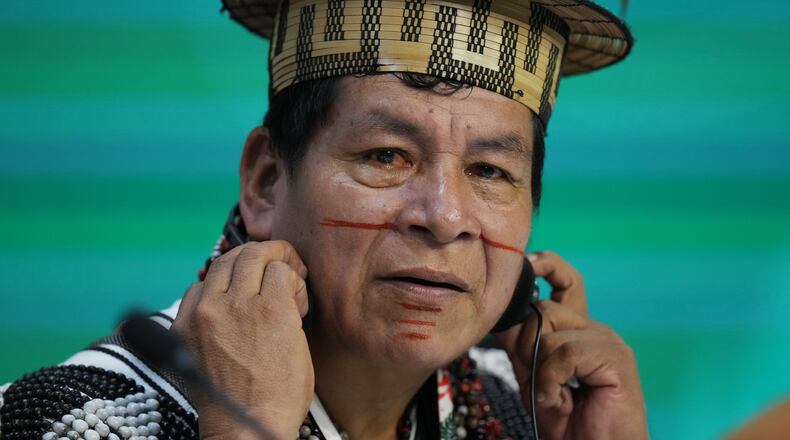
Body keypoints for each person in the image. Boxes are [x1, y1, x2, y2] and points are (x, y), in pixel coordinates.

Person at [0, 0, 648, 439]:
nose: (445, 217)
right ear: (266, 181)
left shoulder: (518, 407)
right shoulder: (76, 421)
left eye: (489, 170)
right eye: (386, 156)